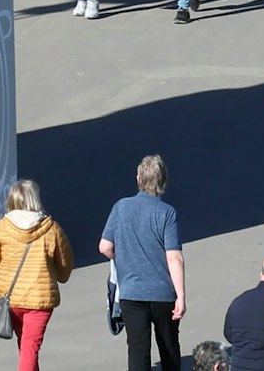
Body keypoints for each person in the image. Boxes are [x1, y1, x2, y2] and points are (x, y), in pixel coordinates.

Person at [99, 155, 185, 371]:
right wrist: (181, 297)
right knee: (169, 348)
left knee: (137, 351)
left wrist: (126, 256)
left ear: (138, 178)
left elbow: (105, 247)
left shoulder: (121, 207)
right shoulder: (167, 213)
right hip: (163, 294)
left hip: (131, 293)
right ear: (163, 180)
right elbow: (174, 257)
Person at [0, 179, 75, 371]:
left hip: (11, 297)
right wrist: (60, 275)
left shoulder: (2, 226)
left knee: (26, 347)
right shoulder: (51, 228)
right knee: (30, 347)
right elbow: (65, 266)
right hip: (40, 298)